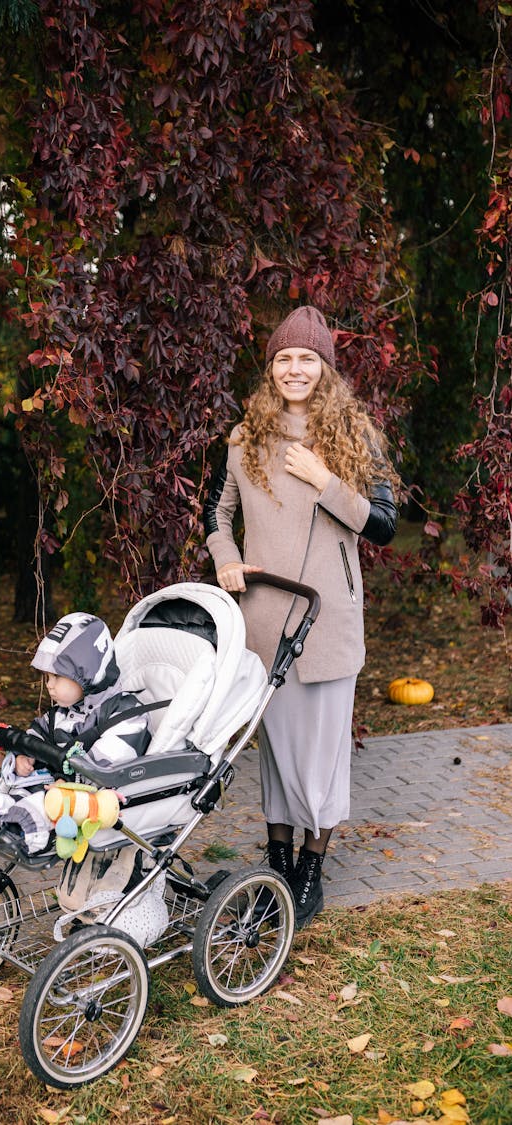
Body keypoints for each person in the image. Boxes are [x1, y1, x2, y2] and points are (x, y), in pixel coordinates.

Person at [203, 305, 399, 929]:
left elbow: (387, 526)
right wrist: (227, 558)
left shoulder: (354, 438)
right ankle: (278, 863)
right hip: (265, 619)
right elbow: (216, 513)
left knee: (322, 755)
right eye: (284, 357)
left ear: (325, 368)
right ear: (271, 368)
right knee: (278, 752)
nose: (295, 368)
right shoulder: (242, 440)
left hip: (329, 619)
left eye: (307, 358)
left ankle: (312, 867)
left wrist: (326, 480)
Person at [0, 612, 151, 854]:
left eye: (57, 677)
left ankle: (25, 825)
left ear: (88, 675)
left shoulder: (127, 714)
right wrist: (25, 754)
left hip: (95, 795)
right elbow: (39, 734)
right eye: (48, 677)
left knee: (47, 802)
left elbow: (109, 762)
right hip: (55, 787)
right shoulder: (64, 713)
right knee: (24, 785)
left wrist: (70, 785)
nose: (49, 685)